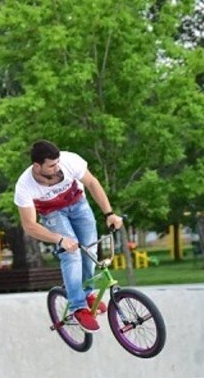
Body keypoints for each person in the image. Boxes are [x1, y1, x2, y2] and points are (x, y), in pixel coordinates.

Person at [14, 140, 123, 331]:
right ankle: (77, 307)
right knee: (71, 253)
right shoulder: (24, 186)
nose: (57, 167)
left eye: (57, 163)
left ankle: (87, 293)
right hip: (52, 214)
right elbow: (29, 225)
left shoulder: (69, 161)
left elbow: (91, 182)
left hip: (79, 204)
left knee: (89, 250)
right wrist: (60, 240)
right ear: (37, 166)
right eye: (51, 165)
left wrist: (109, 213)